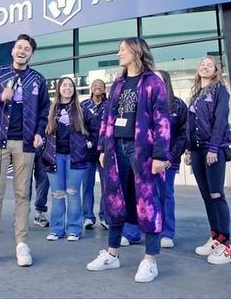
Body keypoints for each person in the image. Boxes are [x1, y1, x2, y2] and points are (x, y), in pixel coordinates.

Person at [86, 37, 171, 283]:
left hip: (142, 150)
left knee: (148, 200)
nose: (119, 52)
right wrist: (102, 147)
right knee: (114, 199)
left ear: (136, 51)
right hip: (115, 149)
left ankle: (150, 260)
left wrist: (159, 154)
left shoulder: (153, 82)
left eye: (123, 49)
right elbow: (108, 118)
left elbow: (162, 120)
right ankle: (112, 254)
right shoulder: (119, 82)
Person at [0, 34, 50, 268]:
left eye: (27, 49)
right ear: (12, 51)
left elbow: (44, 110)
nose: (22, 51)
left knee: (22, 195)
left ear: (31, 54)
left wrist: (40, 132)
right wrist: (0, 97)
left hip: (25, 143)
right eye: (19, 47)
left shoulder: (38, 79)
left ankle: (21, 243)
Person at [119, 70, 187, 249]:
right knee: (136, 194)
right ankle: (131, 232)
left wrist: (169, 157)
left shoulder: (178, 105)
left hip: (166, 161)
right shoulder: (142, 104)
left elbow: (183, 134)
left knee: (164, 196)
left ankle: (166, 232)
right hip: (141, 158)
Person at [184, 56, 231, 265]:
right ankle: (215, 238)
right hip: (196, 151)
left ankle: (226, 245)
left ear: (215, 72)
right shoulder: (196, 94)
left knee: (216, 195)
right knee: (206, 197)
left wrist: (214, 147)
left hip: (213, 150)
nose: (204, 66)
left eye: (209, 65)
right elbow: (190, 124)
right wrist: (188, 150)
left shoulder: (220, 92)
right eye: (202, 64)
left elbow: (221, 121)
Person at [41, 76, 95, 242]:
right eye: (64, 85)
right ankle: (57, 229)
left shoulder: (81, 109)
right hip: (54, 156)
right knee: (57, 194)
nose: (67, 88)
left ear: (74, 89)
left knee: (72, 193)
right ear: (59, 89)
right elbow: (40, 129)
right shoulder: (50, 109)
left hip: (75, 157)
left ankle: (74, 229)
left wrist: (90, 142)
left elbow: (96, 127)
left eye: (70, 86)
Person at [80, 79, 108, 230]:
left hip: (105, 150)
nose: (98, 87)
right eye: (95, 85)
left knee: (107, 186)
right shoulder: (84, 105)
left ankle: (105, 216)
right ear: (91, 88)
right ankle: (88, 217)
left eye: (101, 86)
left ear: (104, 89)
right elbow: (78, 125)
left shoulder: (109, 104)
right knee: (87, 186)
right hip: (88, 151)